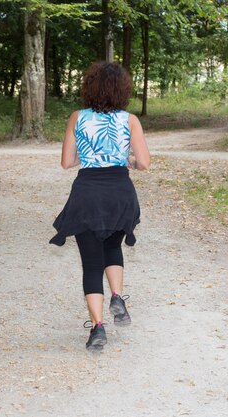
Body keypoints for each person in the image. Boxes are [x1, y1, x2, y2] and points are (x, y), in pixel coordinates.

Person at [49, 61, 150, 351]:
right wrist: (125, 159)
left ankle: (98, 328)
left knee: (91, 264)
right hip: (120, 191)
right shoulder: (130, 120)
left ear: (89, 87)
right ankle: (117, 296)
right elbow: (143, 162)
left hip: (88, 193)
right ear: (123, 90)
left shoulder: (77, 117)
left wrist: (91, 157)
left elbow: (67, 162)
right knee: (113, 247)